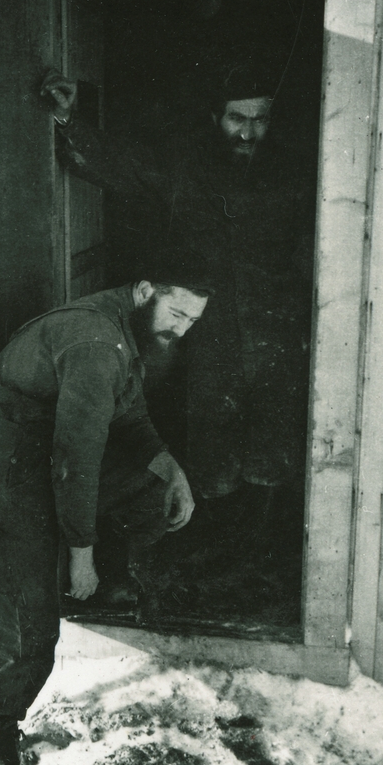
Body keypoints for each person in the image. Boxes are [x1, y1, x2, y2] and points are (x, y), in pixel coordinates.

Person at [0, 255, 212, 765]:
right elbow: (77, 457)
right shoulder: (96, 340)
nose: (181, 329)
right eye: (176, 311)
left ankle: (67, 588)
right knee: (23, 640)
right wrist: (82, 554)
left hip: (39, 466)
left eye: (193, 320)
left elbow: (131, 415)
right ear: (145, 290)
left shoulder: (124, 331)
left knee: (151, 495)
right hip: (3, 478)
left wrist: (171, 470)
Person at [41, 62, 314, 511]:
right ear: (215, 119)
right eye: (236, 119)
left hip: (275, 331)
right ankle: (211, 536)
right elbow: (119, 167)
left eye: (260, 119)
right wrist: (69, 119)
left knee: (274, 442)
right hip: (208, 332)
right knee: (210, 433)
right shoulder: (187, 170)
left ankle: (261, 547)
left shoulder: (296, 177)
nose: (248, 133)